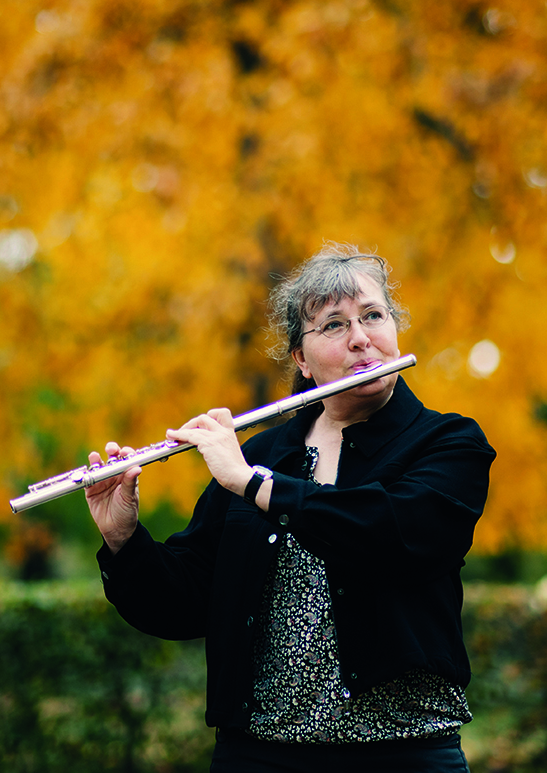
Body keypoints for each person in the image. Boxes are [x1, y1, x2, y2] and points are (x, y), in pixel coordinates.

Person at [85, 243, 495, 772]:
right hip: (257, 756)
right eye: (332, 325)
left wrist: (257, 486)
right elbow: (185, 602)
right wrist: (123, 538)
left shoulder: (447, 442)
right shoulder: (260, 455)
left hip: (403, 752)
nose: (361, 338)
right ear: (300, 359)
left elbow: (394, 534)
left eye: (373, 316)